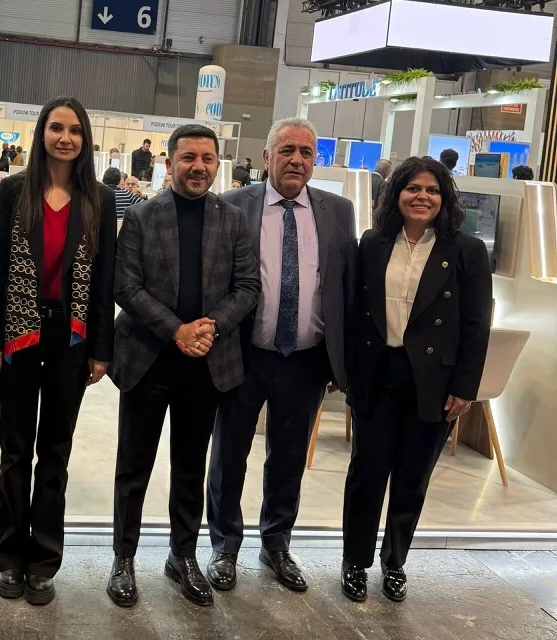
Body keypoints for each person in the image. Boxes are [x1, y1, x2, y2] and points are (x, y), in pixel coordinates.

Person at [107, 124, 260, 608]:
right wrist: (177, 330)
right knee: (133, 467)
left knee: (191, 468)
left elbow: (248, 287)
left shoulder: (232, 219)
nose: (198, 167)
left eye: (207, 159)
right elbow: (125, 287)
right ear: (169, 162)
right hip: (148, 361)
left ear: (217, 165)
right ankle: (124, 559)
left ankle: (183, 556)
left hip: (206, 365)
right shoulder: (142, 217)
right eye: (189, 157)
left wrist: (210, 327)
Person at [206, 116, 357, 594]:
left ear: (315, 161)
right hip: (244, 354)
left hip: (307, 359)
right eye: (287, 150)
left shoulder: (338, 211)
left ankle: (276, 545)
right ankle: (224, 546)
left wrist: (339, 357)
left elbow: (345, 288)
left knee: (289, 458)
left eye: (306, 152)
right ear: (267, 157)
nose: (296, 160)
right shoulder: (233, 205)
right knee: (229, 454)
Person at [0, 96, 117, 606]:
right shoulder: (15, 190)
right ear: (41, 134)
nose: (65, 138)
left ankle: (43, 562)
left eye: (75, 130)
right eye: (56, 128)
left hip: (70, 340)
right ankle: (9, 559)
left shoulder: (99, 199)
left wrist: (101, 349)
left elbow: (104, 280)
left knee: (54, 455)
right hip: (18, 336)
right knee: (14, 452)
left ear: (85, 140)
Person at [340, 156, 492, 603]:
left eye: (432, 190)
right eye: (413, 188)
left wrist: (465, 387)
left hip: (434, 383)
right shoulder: (373, 242)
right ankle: (355, 561)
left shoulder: (466, 250)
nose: (422, 197)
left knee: (412, 478)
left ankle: (395, 562)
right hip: (377, 374)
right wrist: (346, 371)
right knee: (366, 474)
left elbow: (477, 325)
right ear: (396, 194)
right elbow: (356, 312)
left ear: (444, 199)